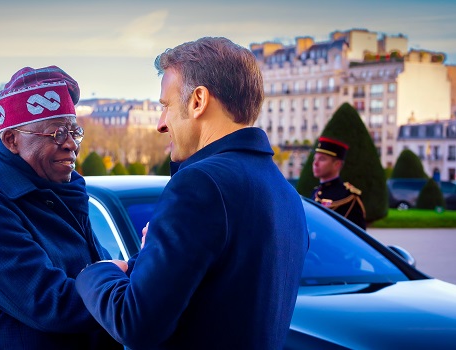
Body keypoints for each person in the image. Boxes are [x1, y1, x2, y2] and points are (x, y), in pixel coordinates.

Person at [75, 37, 309, 349]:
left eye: (165, 106)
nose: (161, 124)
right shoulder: (285, 192)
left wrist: (96, 274)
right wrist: (145, 260)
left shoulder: (200, 183)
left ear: (198, 100)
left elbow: (135, 323)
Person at [0, 66, 121, 349]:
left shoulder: (64, 190)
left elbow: (95, 269)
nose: (71, 144)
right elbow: (52, 304)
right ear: (12, 140)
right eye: (57, 133)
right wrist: (127, 279)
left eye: (74, 131)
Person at [311, 136, 366, 229]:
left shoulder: (349, 197)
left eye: (322, 159)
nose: (315, 163)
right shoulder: (316, 192)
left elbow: (357, 237)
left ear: (337, 164)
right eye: (315, 159)